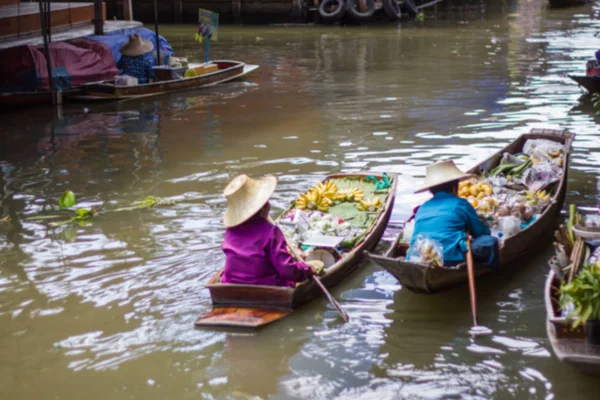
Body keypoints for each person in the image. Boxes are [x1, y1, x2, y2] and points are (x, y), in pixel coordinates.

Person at [221, 174, 324, 287]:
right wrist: (307, 269)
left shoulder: (230, 231)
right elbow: (287, 271)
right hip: (268, 287)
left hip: (230, 285)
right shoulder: (270, 232)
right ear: (263, 207)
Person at [408, 160, 499, 268]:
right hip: (450, 257)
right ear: (454, 186)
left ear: (431, 190)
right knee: (490, 241)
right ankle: (485, 269)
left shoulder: (422, 207)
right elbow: (481, 232)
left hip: (416, 257)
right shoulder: (461, 204)